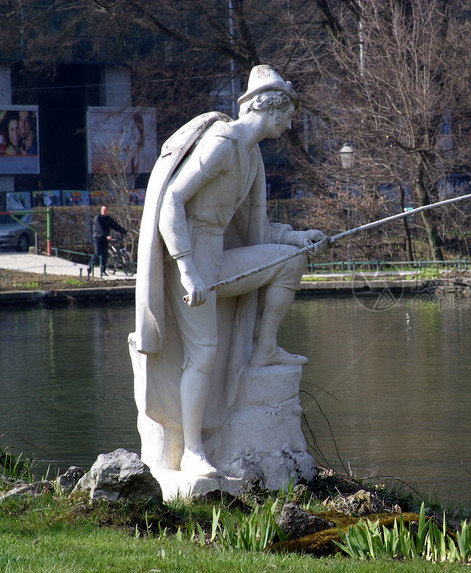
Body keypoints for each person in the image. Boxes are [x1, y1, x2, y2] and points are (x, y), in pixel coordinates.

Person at [131, 65, 329, 477]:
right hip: (189, 255)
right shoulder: (222, 142)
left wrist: (297, 237)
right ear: (270, 108)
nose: (290, 124)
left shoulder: (252, 156)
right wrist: (186, 270)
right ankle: (193, 451)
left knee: (289, 261)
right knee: (203, 352)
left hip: (218, 254)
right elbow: (172, 201)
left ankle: (265, 348)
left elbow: (256, 231)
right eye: (289, 114)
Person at [88, 205, 128, 276]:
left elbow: (116, 226)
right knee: (97, 253)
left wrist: (126, 232)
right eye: (103, 209)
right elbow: (99, 228)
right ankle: (90, 267)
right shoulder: (97, 218)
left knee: (105, 255)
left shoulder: (109, 219)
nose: (104, 211)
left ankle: (103, 271)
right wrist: (106, 235)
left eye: (106, 210)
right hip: (98, 238)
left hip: (105, 239)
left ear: (108, 211)